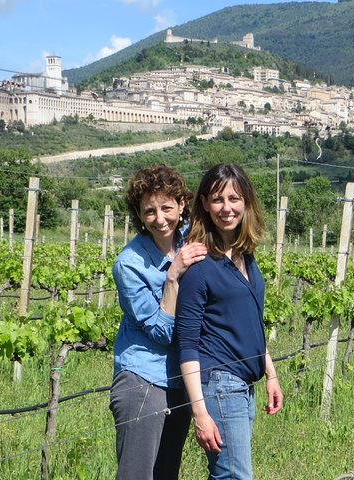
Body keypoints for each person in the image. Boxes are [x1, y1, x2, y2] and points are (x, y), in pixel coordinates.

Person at [175, 163, 283, 480]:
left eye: (234, 199)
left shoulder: (244, 254)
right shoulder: (200, 263)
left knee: (228, 475)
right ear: (205, 205)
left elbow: (249, 322)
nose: (227, 208)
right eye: (218, 200)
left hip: (243, 383)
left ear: (246, 203)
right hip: (219, 383)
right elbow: (188, 344)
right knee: (234, 476)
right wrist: (199, 412)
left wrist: (271, 373)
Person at [110, 163, 207, 480]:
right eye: (149, 211)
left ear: (181, 204)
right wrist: (173, 277)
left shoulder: (191, 237)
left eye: (166, 207)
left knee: (167, 474)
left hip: (180, 381)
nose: (159, 218)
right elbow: (162, 331)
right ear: (138, 214)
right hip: (143, 381)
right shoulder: (129, 264)